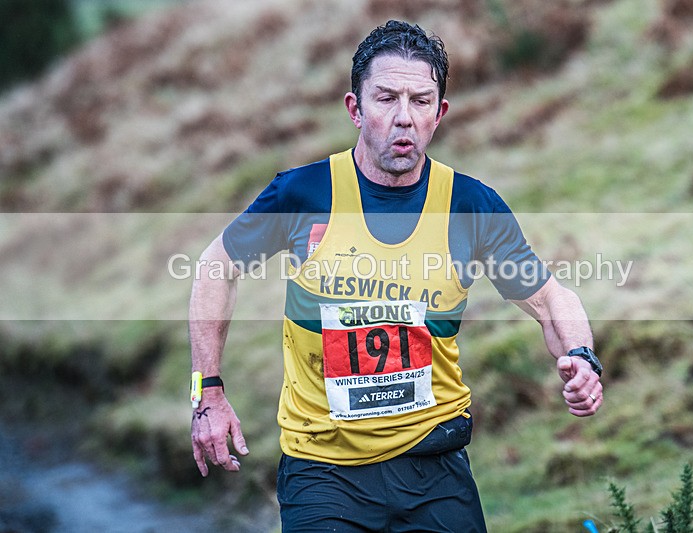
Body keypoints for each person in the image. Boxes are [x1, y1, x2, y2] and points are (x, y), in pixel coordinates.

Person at [189, 20, 603, 532]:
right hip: (324, 473)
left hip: (435, 466)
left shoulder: (469, 206)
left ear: (440, 114)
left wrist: (582, 357)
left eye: (421, 100)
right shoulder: (303, 194)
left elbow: (549, 298)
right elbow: (216, 267)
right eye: (385, 98)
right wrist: (207, 391)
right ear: (355, 109)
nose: (403, 118)